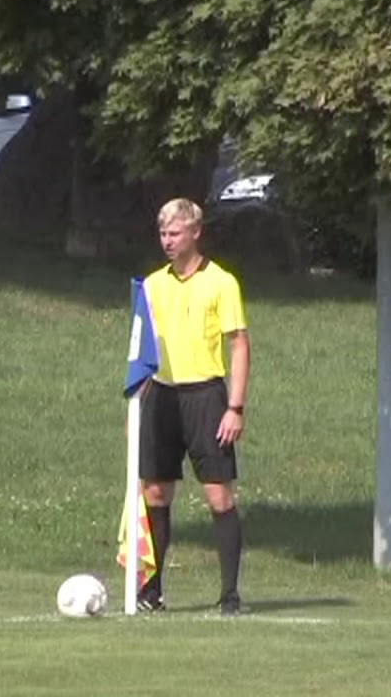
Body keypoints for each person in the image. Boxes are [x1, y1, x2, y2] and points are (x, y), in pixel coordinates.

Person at [137, 197, 250, 616]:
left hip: (206, 396)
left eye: (175, 233)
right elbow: (141, 350)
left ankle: (230, 594)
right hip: (161, 394)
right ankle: (151, 591)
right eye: (163, 233)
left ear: (195, 233)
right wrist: (136, 407)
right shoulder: (151, 285)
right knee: (155, 491)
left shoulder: (222, 282)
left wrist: (234, 406)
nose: (167, 240)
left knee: (218, 495)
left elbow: (238, 344)